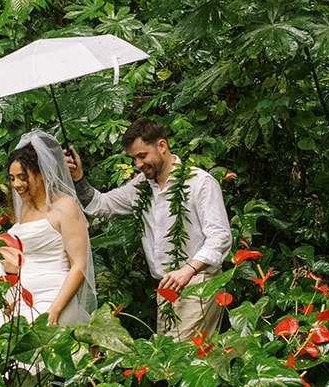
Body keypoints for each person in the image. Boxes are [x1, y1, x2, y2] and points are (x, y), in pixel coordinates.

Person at [66, 117, 231, 340]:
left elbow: (220, 237)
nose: (138, 164)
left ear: (162, 145)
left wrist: (188, 270)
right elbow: (100, 205)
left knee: (181, 354)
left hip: (198, 284)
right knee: (168, 356)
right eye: (133, 158)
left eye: (142, 156)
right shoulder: (141, 187)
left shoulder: (200, 183)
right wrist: (78, 178)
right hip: (165, 289)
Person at [0, 129, 96, 337]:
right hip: (23, 298)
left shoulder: (65, 207)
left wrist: (55, 309)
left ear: (41, 174)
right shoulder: (23, 209)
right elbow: (29, 259)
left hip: (55, 297)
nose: (16, 185)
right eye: (12, 178)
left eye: (22, 177)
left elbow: (79, 266)